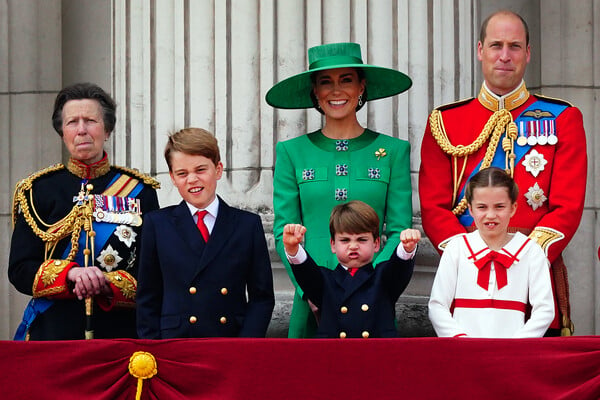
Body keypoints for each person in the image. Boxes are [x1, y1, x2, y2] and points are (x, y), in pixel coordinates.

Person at [419, 10, 587, 335]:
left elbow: (567, 208)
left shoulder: (563, 118)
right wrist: (471, 258)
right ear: (480, 50)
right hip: (465, 284)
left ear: (528, 53)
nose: (505, 56)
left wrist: (523, 259)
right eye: (496, 45)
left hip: (533, 283)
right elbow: (433, 207)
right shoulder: (445, 122)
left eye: (514, 46)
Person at [267, 42, 414, 338]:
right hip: (311, 301)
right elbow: (285, 229)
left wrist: (375, 286)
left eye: (346, 80)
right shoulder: (291, 152)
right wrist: (309, 288)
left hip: (373, 304)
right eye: (326, 82)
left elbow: (400, 229)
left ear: (362, 87)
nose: (336, 91)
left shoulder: (394, 151)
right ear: (315, 92)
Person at [8, 82, 160, 340]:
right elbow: (20, 270)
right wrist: (70, 274)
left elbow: (153, 270)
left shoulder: (140, 190)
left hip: (119, 334)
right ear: (61, 132)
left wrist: (107, 283)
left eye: (90, 120)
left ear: (107, 130)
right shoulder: (36, 191)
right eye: (72, 122)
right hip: (54, 333)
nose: (81, 130)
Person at [136, 127, 274, 338]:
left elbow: (261, 298)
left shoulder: (247, 225)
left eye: (200, 170)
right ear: (172, 177)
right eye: (182, 173)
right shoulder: (157, 224)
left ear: (218, 170)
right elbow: (148, 297)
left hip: (230, 341)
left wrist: (246, 345)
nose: (192, 179)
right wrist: (154, 349)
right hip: (175, 343)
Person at [428, 167, 554, 338]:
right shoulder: (456, 248)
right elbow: (437, 305)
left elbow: (544, 310)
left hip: (512, 354)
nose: (491, 215)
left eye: (499, 207)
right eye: (482, 207)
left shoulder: (531, 251)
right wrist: (459, 339)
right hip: (462, 351)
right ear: (470, 209)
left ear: (513, 208)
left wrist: (517, 345)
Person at [283, 200, 420, 338]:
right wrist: (293, 249)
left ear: (376, 243)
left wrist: (406, 248)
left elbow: (398, 268)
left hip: (377, 355)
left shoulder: (382, 277)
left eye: (362, 239)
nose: (353, 246)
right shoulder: (325, 280)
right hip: (335, 356)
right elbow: (306, 272)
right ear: (333, 245)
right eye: (345, 240)